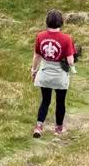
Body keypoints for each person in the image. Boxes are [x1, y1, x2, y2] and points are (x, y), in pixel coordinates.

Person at [31, 9, 76, 138]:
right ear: (61, 22)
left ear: (47, 22)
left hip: (44, 73)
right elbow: (70, 61)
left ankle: (39, 127)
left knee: (45, 100)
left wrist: (33, 71)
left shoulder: (40, 36)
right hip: (59, 75)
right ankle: (58, 129)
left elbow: (37, 56)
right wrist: (72, 64)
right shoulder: (67, 39)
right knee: (60, 102)